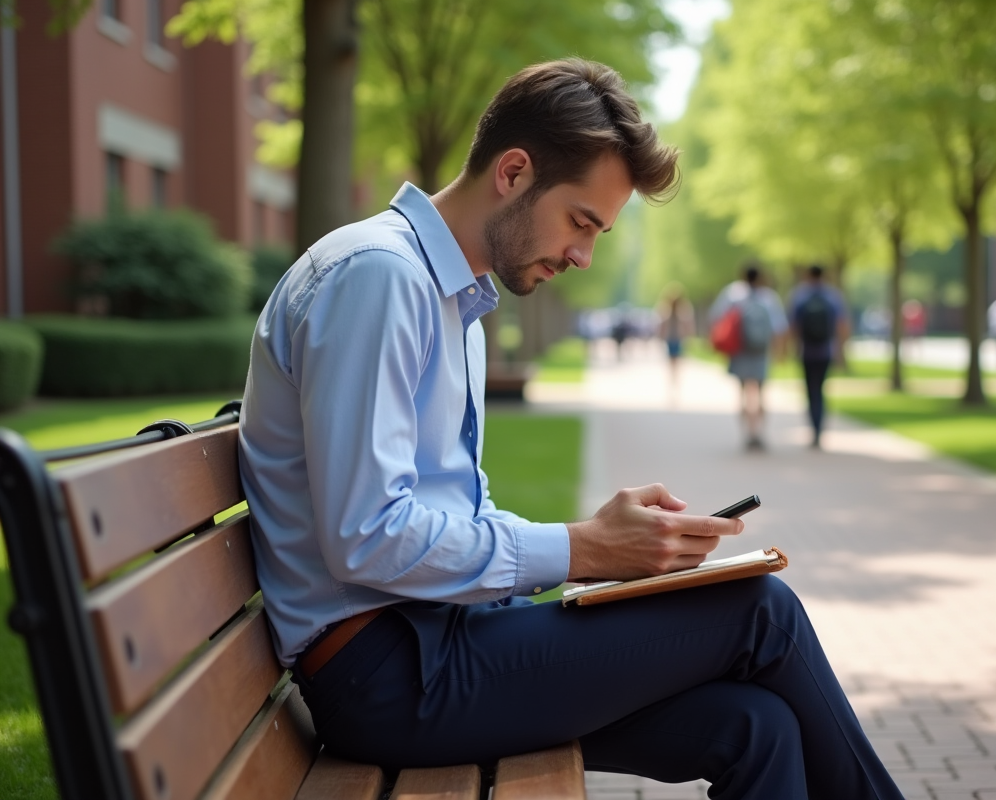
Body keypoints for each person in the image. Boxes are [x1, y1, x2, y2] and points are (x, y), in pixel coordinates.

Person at [239, 59, 904, 800]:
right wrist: (582, 547)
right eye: (581, 222)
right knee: (760, 612)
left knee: (754, 725)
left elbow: (447, 511)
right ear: (515, 172)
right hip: (392, 675)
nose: (584, 256)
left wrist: (600, 556)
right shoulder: (379, 277)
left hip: (440, 642)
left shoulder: (452, 299)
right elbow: (366, 534)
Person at [708, 263, 789, 450]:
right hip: (761, 352)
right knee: (761, 393)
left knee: (743, 393)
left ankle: (747, 432)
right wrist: (780, 351)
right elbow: (780, 327)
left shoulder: (732, 294)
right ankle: (759, 432)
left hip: (740, 351)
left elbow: (716, 318)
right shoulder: (769, 297)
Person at [790, 265, 848, 449]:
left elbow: (793, 325)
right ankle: (819, 429)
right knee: (821, 390)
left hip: (806, 351)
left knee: (810, 390)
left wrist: (791, 348)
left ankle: (814, 428)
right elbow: (841, 324)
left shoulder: (800, 295)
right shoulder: (832, 296)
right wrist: (841, 351)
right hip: (826, 351)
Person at [657, 284, 694, 401]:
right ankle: (671, 389)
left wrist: (688, 336)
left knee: (676, 366)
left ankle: (675, 389)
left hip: (678, 339)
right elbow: (661, 325)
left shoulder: (683, 309)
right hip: (670, 339)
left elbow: (688, 324)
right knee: (671, 366)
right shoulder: (665, 308)